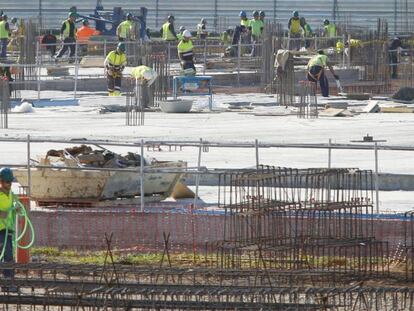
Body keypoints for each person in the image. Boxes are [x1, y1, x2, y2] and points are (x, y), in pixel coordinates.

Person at [0, 167, 18, 280]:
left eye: (10, 181)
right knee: (5, 255)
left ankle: (8, 281)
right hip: (0, 230)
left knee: (8, 256)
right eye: (7, 181)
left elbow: (13, 206)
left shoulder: (11, 194)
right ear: (1, 181)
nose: (9, 184)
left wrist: (16, 209)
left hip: (8, 229)